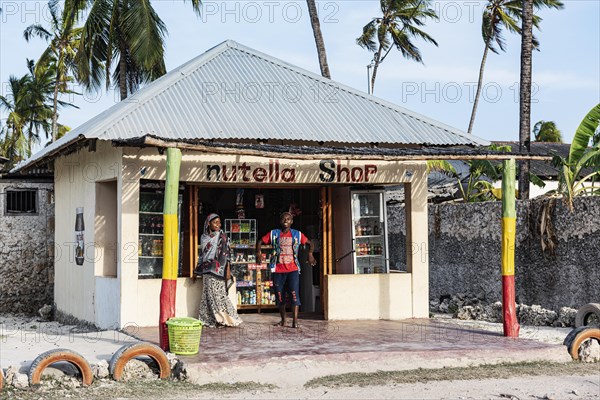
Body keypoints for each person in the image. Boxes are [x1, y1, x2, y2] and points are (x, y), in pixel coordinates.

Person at [256, 212, 316, 328]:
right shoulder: (274, 233)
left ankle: (295, 322)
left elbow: (310, 243)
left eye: (288, 219)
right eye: (283, 218)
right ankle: (283, 320)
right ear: (280, 221)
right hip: (278, 270)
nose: (285, 220)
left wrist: (310, 254)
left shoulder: (297, 234)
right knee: (280, 296)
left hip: (292, 270)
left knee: (294, 295)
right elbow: (260, 241)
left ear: (291, 222)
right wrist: (258, 253)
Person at [195, 213, 242, 328]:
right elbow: (202, 254)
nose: (218, 225)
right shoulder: (203, 237)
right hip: (206, 269)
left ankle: (227, 319)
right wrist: (197, 269)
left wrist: (228, 270)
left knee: (218, 294)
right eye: (215, 222)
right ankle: (209, 319)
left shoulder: (223, 236)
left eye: (219, 222)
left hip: (218, 269)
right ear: (208, 223)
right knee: (207, 295)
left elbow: (228, 254)